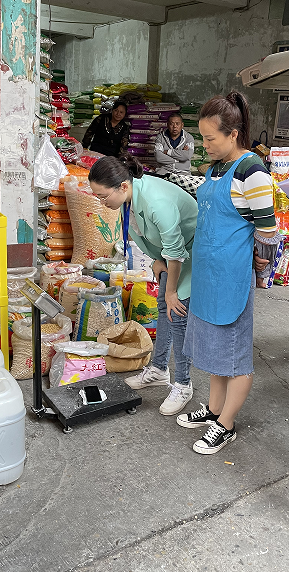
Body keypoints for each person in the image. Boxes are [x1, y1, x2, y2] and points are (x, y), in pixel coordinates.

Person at [178, 91, 277, 455]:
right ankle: (213, 409)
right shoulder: (216, 169)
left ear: (233, 134)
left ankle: (227, 423)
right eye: (202, 138)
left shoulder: (253, 171)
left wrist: (263, 259)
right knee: (214, 349)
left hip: (231, 278)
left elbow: (267, 230)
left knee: (234, 356)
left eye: (209, 139)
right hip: (208, 276)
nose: (204, 147)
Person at [88, 154, 198, 415]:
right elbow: (155, 238)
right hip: (171, 254)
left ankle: (184, 384)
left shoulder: (156, 202)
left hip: (193, 251)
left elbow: (176, 249)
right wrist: (157, 261)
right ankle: (159, 369)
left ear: (123, 186)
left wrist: (171, 290)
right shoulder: (130, 196)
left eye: (103, 196)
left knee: (177, 311)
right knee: (163, 307)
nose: (101, 202)